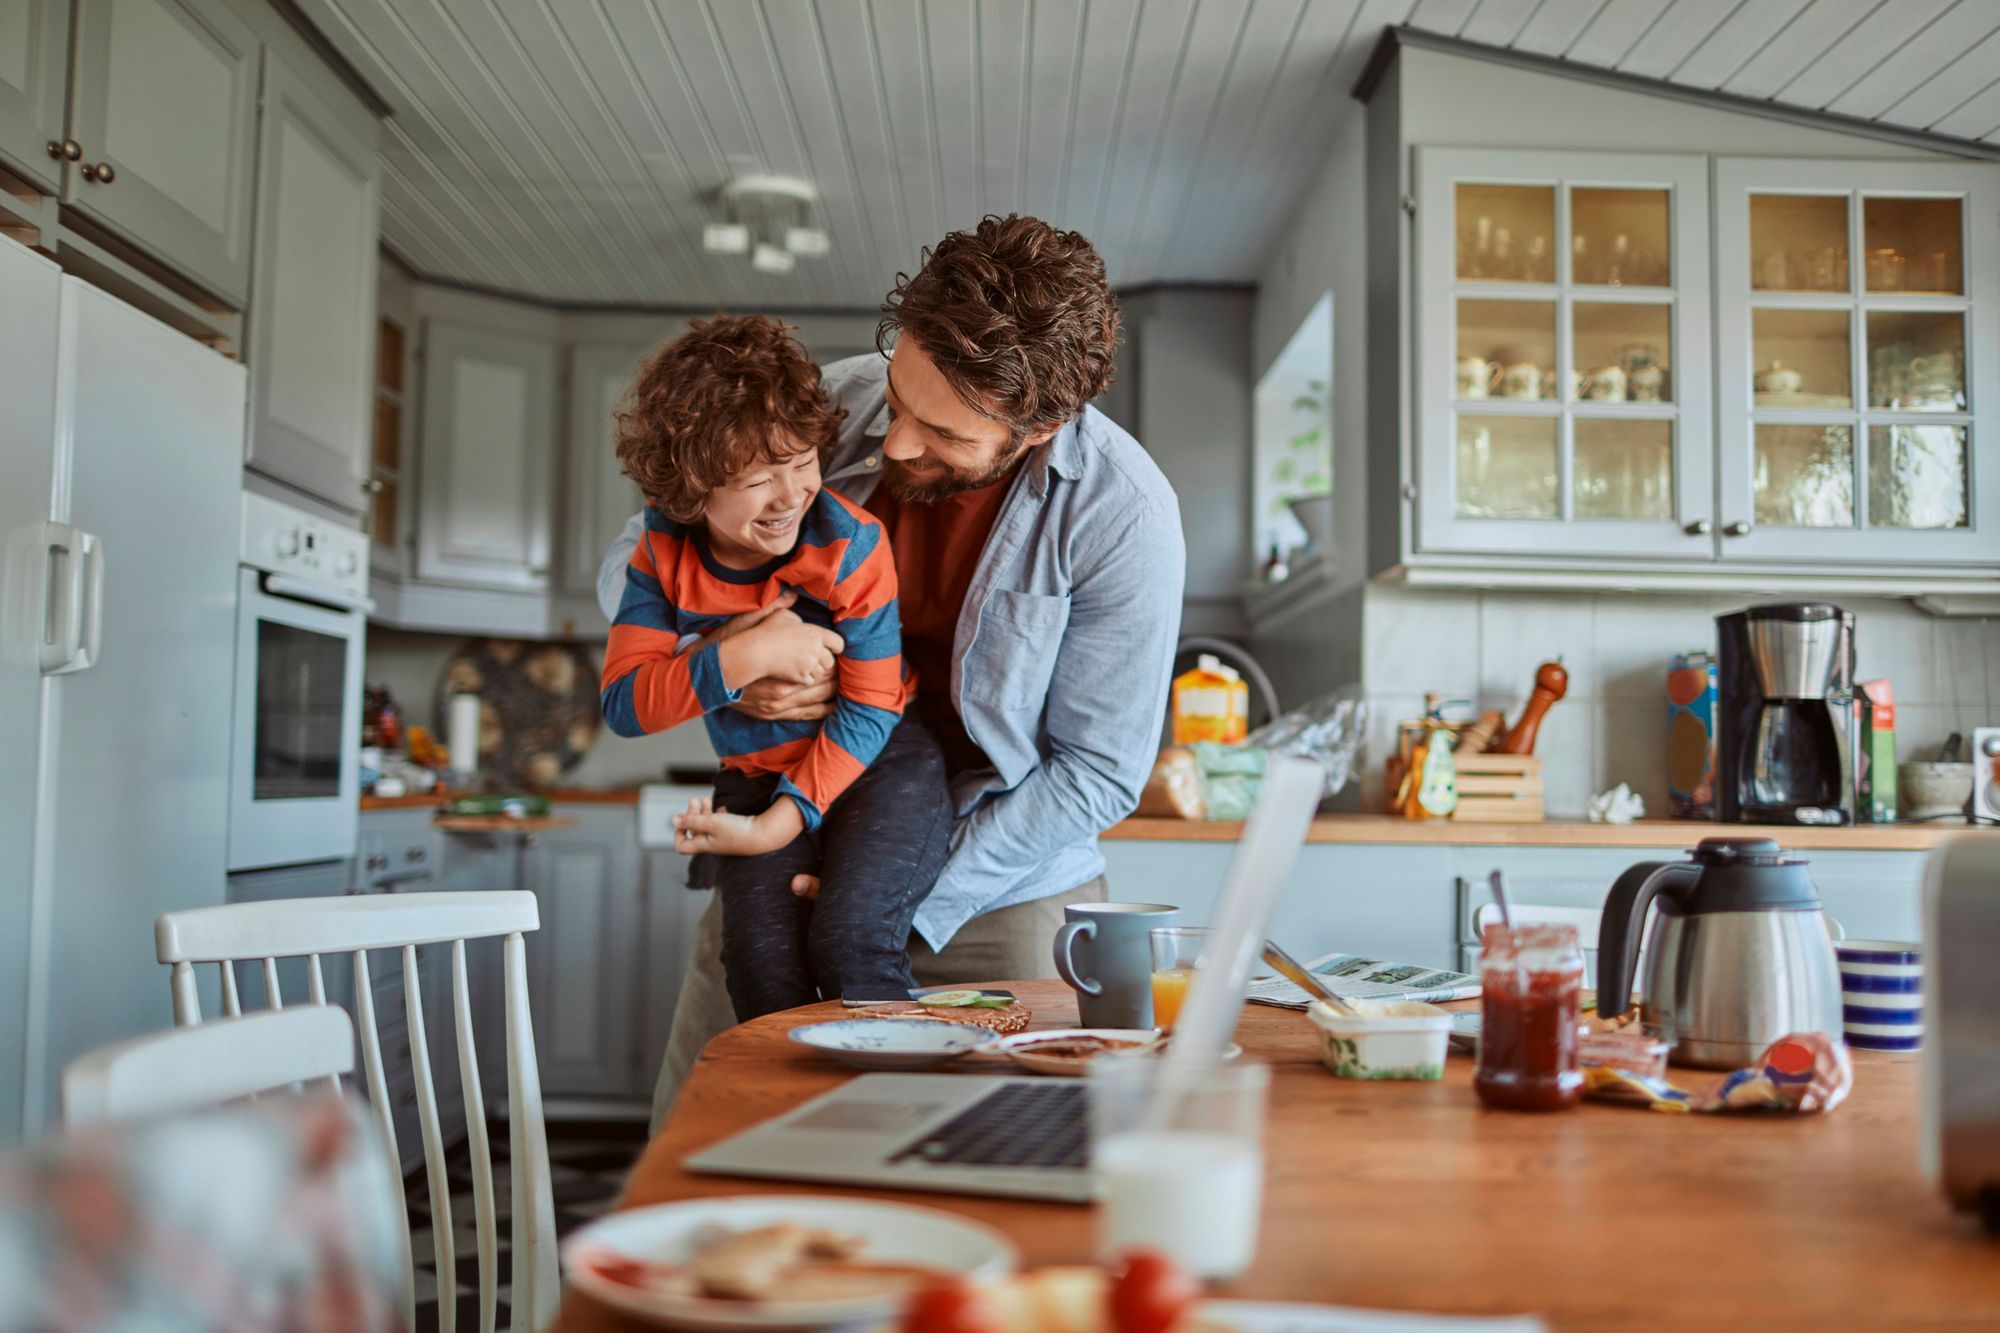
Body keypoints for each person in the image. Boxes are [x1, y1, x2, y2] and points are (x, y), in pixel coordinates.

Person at [598, 215, 1187, 1126]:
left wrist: (888, 885)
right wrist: (725, 657)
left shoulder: (1124, 515)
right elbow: (638, 561)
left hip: (999, 885)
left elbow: (1099, 772)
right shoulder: (844, 401)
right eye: (899, 398)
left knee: (982, 1146)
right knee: (719, 1119)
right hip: (790, 814)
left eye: (941, 431)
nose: (896, 439)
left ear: (1040, 425)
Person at [599, 314, 955, 1021]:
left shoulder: (850, 544)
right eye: (760, 478)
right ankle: (796, 1129)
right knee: (760, 969)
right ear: (694, 485)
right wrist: (739, 656)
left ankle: (890, 1124)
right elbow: (625, 703)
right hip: (755, 773)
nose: (792, 494)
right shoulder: (660, 557)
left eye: (801, 463)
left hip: (883, 761)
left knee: (852, 942)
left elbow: (875, 703)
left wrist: (777, 827)